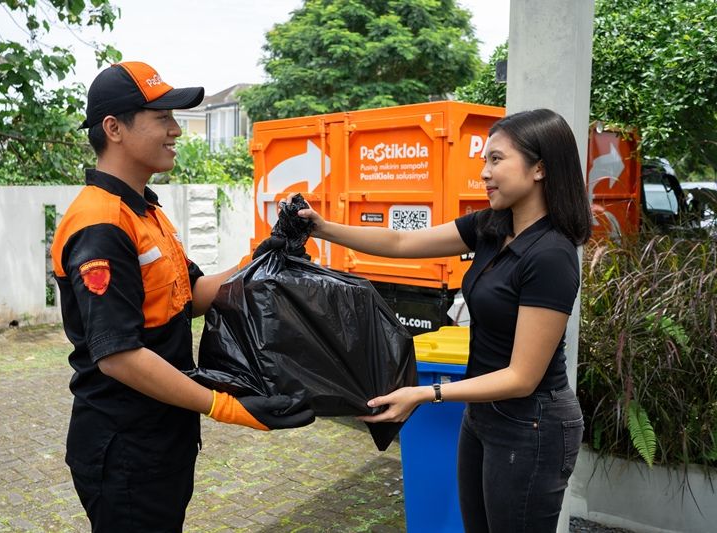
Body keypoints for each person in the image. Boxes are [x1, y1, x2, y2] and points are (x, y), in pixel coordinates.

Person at [290, 108, 590, 532]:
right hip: (483, 414)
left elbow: (523, 376)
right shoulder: (492, 225)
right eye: (485, 160)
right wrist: (322, 229)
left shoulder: (551, 255)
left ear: (539, 168)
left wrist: (423, 393)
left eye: (496, 160)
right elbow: (400, 240)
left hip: (532, 426)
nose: (484, 172)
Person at [51, 61, 313, 533]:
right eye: (163, 118)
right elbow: (118, 356)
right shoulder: (101, 225)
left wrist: (262, 254)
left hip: (160, 433)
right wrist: (224, 405)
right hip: (124, 443)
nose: (176, 130)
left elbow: (188, 295)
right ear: (114, 128)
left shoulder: (143, 210)